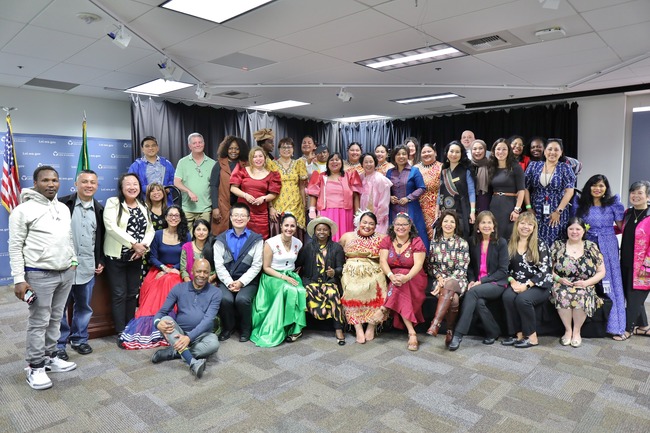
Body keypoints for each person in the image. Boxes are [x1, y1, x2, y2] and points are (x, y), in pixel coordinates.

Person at [9, 166, 78, 390]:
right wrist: (19, 279)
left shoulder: (63, 208)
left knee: (56, 318)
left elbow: (68, 238)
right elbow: (15, 246)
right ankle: (35, 366)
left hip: (66, 273)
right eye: (46, 180)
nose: (51, 184)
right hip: (38, 275)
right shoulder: (22, 210)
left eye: (55, 180)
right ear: (35, 183)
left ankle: (49, 358)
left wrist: (73, 261)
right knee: (38, 321)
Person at [120, 205, 191, 349]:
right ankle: (156, 324)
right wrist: (164, 268)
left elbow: (186, 257)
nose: (173, 218)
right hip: (159, 270)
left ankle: (171, 325)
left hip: (177, 271)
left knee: (170, 280)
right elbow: (153, 257)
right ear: (165, 217)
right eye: (170, 215)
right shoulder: (158, 234)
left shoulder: (186, 235)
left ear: (180, 217)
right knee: (162, 281)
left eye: (176, 215)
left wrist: (174, 269)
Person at [56, 170, 105, 361]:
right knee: (59, 308)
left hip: (87, 267)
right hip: (62, 267)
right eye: (84, 181)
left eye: (93, 182)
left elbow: (101, 239)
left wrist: (100, 260)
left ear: (97, 186)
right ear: (76, 184)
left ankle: (79, 339)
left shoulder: (100, 209)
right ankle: (59, 343)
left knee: (84, 306)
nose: (89, 185)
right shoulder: (61, 204)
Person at [448, 211, 509, 351]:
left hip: (497, 283)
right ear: (478, 226)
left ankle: (458, 335)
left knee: (472, 294)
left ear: (494, 226)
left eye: (489, 222)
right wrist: (471, 280)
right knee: (479, 302)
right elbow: (470, 267)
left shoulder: (501, 242)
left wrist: (481, 282)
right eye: (483, 222)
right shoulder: (472, 241)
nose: (486, 225)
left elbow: (502, 271)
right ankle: (493, 332)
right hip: (478, 283)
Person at [151, 259, 221, 380]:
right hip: (180, 333)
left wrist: (189, 338)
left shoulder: (216, 292)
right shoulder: (178, 288)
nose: (202, 275)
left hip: (202, 335)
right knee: (166, 319)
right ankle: (192, 362)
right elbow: (161, 312)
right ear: (192, 271)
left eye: (205, 272)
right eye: (199, 271)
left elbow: (208, 320)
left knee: (214, 343)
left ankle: (172, 353)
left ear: (210, 273)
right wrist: (157, 323)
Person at [103, 173, 155, 335]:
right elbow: (111, 227)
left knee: (133, 293)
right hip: (116, 256)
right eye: (128, 184)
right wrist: (134, 244)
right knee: (119, 294)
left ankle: (131, 328)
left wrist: (142, 248)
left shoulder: (143, 205)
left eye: (135, 184)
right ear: (121, 188)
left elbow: (150, 229)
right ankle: (120, 331)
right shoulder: (113, 203)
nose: (132, 187)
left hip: (137, 257)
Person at [576, 174, 626, 339]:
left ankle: (615, 326)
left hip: (608, 245)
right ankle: (581, 326)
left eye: (601, 186)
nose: (597, 188)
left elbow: (622, 227)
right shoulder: (581, 204)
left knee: (611, 282)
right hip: (587, 244)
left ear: (605, 189)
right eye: (594, 185)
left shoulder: (613, 204)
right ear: (589, 187)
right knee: (586, 279)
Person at [250, 213, 306, 347]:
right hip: (272, 277)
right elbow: (266, 267)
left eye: (292, 226)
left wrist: (289, 276)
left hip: (289, 275)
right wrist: (283, 277)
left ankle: (295, 328)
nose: (289, 228)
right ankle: (281, 327)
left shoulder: (298, 243)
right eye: (286, 225)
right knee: (288, 288)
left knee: (300, 290)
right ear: (281, 226)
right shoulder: (271, 243)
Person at [375, 213, 428, 351]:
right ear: (393, 226)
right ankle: (412, 332)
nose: (401, 227)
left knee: (401, 277)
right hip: (394, 277)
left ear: (410, 227)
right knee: (399, 281)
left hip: (414, 277)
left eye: (404, 224)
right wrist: (391, 275)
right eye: (398, 224)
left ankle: (385, 308)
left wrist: (406, 277)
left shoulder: (416, 241)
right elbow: (382, 261)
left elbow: (418, 265)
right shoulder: (387, 240)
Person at [551, 217, 606, 347]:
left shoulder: (591, 246)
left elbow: (602, 272)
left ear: (583, 231)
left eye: (578, 229)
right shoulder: (558, 245)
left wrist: (586, 283)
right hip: (562, 282)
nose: (574, 232)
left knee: (581, 295)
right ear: (567, 230)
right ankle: (568, 331)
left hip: (585, 283)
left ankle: (576, 332)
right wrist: (559, 279)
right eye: (571, 229)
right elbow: (548, 269)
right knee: (563, 294)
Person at [212, 203, 264, 343]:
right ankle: (228, 328)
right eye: (236, 215)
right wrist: (230, 282)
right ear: (230, 217)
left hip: (248, 280)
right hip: (226, 279)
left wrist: (241, 282)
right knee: (225, 299)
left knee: (242, 299)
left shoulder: (256, 239)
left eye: (242, 215)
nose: (239, 218)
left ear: (248, 218)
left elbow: (257, 265)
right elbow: (219, 265)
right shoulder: (221, 239)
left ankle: (246, 329)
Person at [501, 212, 553, 348]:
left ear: (534, 227)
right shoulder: (510, 243)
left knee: (523, 299)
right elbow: (504, 268)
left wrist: (527, 286)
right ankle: (518, 335)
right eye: (522, 223)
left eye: (530, 224)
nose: (526, 227)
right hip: (517, 281)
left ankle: (532, 337)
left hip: (539, 284)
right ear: (517, 225)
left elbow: (545, 271)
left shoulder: (540, 244)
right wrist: (512, 281)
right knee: (507, 296)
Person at [339, 211, 387, 344]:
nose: (367, 226)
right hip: (352, 271)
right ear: (359, 223)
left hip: (374, 269)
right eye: (364, 222)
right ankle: (357, 327)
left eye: (371, 224)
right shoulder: (347, 236)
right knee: (351, 290)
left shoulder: (382, 238)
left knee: (378, 286)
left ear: (376, 225)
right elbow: (338, 252)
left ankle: (372, 325)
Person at [297, 217, 346, 345]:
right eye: (319, 229)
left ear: (329, 232)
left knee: (333, 294)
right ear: (315, 231)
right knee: (304, 293)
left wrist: (334, 272)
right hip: (310, 281)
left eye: (325, 230)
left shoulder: (337, 248)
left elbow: (341, 267)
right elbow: (298, 263)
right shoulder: (308, 247)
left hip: (329, 282)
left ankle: (338, 329)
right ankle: (298, 328)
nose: (322, 232)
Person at [425, 210, 469, 347]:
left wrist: (446, 280)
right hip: (439, 281)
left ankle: (436, 323)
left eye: (452, 222)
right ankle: (450, 330)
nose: (448, 224)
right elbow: (430, 266)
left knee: (450, 284)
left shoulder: (462, 243)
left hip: (458, 280)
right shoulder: (434, 243)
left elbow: (462, 269)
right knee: (454, 300)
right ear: (441, 223)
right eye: (445, 221)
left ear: (456, 225)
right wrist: (439, 278)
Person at [524, 138, 576, 247]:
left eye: (556, 150)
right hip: (536, 209)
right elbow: (525, 188)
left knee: (555, 241)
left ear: (561, 152)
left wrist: (558, 212)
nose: (552, 152)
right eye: (550, 149)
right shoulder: (534, 165)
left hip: (557, 209)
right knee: (535, 240)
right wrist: (529, 207)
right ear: (544, 151)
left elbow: (569, 191)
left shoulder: (565, 168)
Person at [618, 180, 650, 340]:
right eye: (633, 192)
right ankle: (644, 327)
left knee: (633, 299)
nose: (636, 196)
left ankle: (627, 330)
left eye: (640, 193)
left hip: (644, 267)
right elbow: (618, 228)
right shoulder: (628, 213)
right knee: (632, 296)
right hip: (625, 262)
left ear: (648, 196)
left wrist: (646, 267)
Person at [307, 152, 362, 242]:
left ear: (342, 162)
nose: (334, 162)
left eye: (337, 160)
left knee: (345, 239)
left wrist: (357, 214)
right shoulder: (321, 176)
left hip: (345, 213)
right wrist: (312, 210)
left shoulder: (349, 175)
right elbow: (314, 194)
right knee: (326, 238)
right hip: (326, 212)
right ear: (328, 163)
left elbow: (356, 196)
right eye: (332, 160)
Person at [230, 146, 281, 240]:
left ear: (265, 158)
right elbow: (233, 188)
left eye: (260, 156)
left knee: (260, 239)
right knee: (241, 238)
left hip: (261, 214)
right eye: (255, 156)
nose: (258, 159)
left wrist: (263, 198)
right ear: (251, 158)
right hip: (243, 212)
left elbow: (273, 194)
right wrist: (245, 195)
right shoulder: (243, 170)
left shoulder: (272, 174)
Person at [387, 145, 429, 250]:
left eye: (404, 154)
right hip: (394, 210)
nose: (401, 156)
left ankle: (418, 261)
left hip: (411, 208)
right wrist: (390, 197)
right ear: (394, 156)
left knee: (414, 233)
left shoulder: (414, 171)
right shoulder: (389, 172)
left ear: (408, 155)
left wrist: (408, 198)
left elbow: (421, 188)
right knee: (395, 233)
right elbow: (386, 189)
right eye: (398, 154)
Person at [268, 137, 308, 240]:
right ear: (279, 149)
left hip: (296, 204)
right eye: (283, 147)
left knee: (295, 235)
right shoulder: (272, 164)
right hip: (278, 204)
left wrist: (304, 205)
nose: (286, 149)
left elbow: (301, 186)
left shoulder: (299, 163)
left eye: (289, 147)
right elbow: (268, 187)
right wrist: (270, 206)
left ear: (293, 149)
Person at [174, 132, 216, 227]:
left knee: (203, 236)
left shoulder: (212, 163)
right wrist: (189, 191)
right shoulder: (182, 162)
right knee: (186, 237)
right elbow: (176, 182)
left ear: (204, 144)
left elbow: (215, 186)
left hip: (205, 208)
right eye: (194, 143)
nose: (198, 145)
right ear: (190, 146)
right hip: (187, 208)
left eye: (200, 142)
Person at [209, 135, 249, 236]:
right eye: (230, 148)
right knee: (221, 236)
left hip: (241, 206)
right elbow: (213, 186)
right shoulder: (219, 164)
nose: (233, 151)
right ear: (226, 149)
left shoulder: (246, 165)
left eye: (236, 148)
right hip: (222, 206)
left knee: (240, 235)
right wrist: (215, 208)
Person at [488, 138, 525, 240]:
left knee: (507, 235)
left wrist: (516, 210)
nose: (501, 152)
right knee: (494, 234)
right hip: (494, 204)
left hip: (509, 206)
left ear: (509, 151)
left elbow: (522, 190)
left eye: (504, 149)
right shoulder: (491, 167)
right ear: (494, 151)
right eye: (498, 149)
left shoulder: (516, 167)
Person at [439, 141, 476, 240]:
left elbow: (471, 192)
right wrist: (436, 212)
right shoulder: (443, 171)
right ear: (447, 153)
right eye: (451, 151)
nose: (454, 154)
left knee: (461, 236)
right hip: (444, 210)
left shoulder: (466, 170)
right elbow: (439, 193)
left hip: (461, 210)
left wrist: (472, 212)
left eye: (457, 152)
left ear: (461, 154)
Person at [128, 135, 175, 203]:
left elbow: (174, 179)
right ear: (143, 149)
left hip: (166, 203)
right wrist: (147, 189)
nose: (150, 148)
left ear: (157, 148)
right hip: (144, 202)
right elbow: (131, 183)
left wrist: (168, 189)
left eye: (153, 145)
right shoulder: (136, 166)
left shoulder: (167, 163)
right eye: (147, 146)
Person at [359, 152, 393, 234]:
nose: (368, 164)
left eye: (371, 162)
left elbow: (384, 203)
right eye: (366, 162)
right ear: (362, 164)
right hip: (363, 218)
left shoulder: (380, 179)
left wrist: (376, 220)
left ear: (375, 163)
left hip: (377, 220)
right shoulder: (361, 177)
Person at [416, 143, 443, 241]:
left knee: (434, 236)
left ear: (435, 153)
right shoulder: (415, 168)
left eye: (429, 151)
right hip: (417, 208)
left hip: (435, 209)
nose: (426, 154)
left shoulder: (442, 168)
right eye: (424, 152)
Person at [180, 219, 215, 283]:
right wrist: (188, 282)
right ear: (194, 232)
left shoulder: (213, 246)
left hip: (209, 282)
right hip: (190, 281)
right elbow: (183, 269)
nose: (201, 232)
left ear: (208, 232)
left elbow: (218, 268)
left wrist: (210, 278)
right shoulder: (186, 247)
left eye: (204, 230)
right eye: (198, 229)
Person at [470, 139, 491, 213]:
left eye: (480, 148)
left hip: (486, 200)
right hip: (469, 202)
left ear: (485, 150)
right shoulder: (467, 166)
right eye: (474, 149)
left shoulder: (491, 165)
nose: (477, 151)